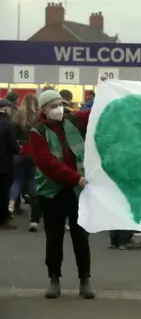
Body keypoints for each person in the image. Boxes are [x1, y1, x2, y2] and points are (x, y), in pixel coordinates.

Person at [29, 90, 94, 299]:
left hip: (76, 190)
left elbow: (97, 111)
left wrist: (104, 88)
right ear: (44, 110)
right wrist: (75, 177)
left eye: (61, 104)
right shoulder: (37, 132)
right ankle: (54, 278)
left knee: (81, 236)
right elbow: (46, 163)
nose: (60, 109)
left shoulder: (73, 122)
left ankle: (85, 279)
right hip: (52, 191)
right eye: (55, 105)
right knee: (54, 237)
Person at [9, 94, 42, 232]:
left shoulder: (17, 116)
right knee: (32, 180)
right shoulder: (38, 118)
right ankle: (33, 212)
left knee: (17, 181)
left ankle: (10, 205)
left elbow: (13, 136)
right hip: (34, 152)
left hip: (20, 152)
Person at [0, 98, 20, 229]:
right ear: (6, 108)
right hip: (4, 164)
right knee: (3, 193)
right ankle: (3, 219)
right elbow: (13, 146)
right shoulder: (7, 124)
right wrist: (18, 148)